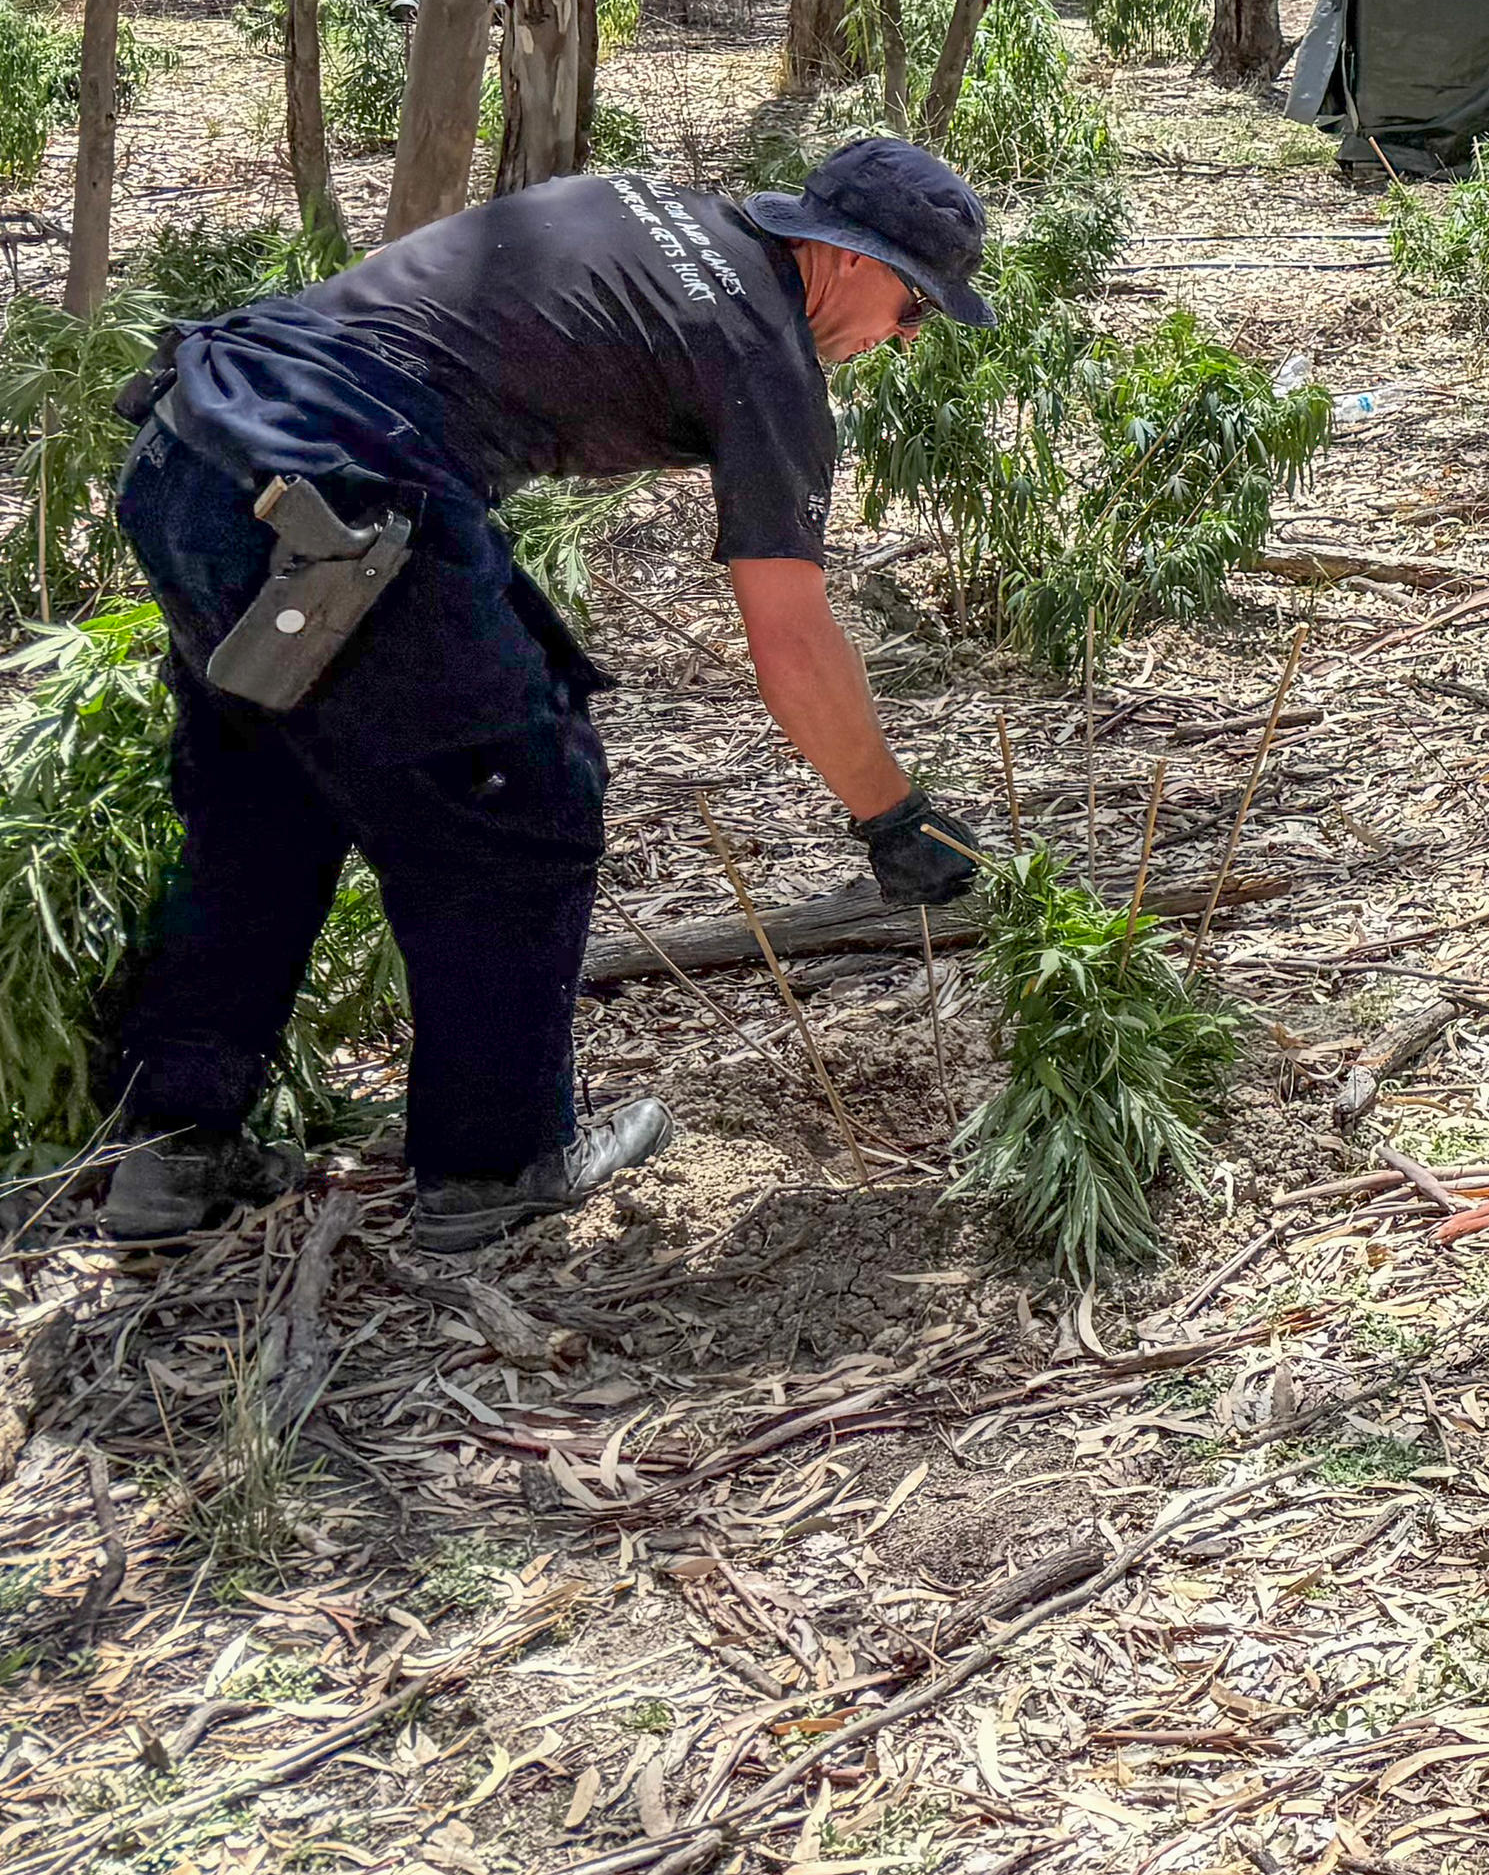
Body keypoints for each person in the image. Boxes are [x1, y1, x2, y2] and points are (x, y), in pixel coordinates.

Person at [93, 139, 1000, 1253]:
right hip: (339, 495)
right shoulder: (765, 353)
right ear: (849, 260)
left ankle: (172, 1153)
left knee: (267, 807)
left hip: (193, 441)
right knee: (520, 811)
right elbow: (793, 637)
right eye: (913, 309)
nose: (901, 339)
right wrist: (891, 815)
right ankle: (496, 1165)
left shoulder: (642, 206)